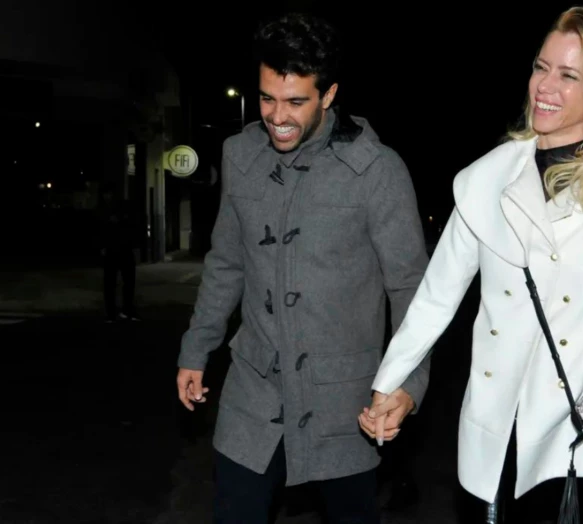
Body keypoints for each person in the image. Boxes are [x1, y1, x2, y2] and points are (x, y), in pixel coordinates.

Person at [359, 6, 583, 523]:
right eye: (541, 67)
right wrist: (389, 383)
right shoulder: (487, 179)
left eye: (569, 75)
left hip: (582, 430)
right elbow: (437, 296)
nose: (545, 86)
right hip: (498, 421)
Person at [175, 12, 431, 524]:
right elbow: (226, 263)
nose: (278, 116)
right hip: (254, 392)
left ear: (329, 94)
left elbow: (410, 288)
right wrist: (196, 348)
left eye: (295, 102)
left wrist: (408, 383)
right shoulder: (241, 156)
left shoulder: (377, 170)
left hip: (344, 403)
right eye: (267, 99)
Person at [98, 184, 139, 322]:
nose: (107, 196)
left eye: (109, 194)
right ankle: (115, 313)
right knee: (113, 283)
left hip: (121, 249)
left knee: (125, 282)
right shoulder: (103, 210)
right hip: (114, 250)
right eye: (106, 194)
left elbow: (130, 225)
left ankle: (125, 311)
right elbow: (99, 230)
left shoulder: (117, 208)